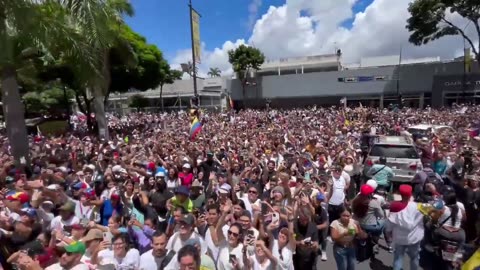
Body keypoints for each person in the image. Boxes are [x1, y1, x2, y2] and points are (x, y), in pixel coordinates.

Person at [386, 185, 424, 270]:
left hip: (399, 239)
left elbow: (390, 223)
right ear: (411, 194)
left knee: (398, 258)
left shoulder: (395, 207)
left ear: (400, 194)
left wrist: (388, 233)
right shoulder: (419, 207)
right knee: (414, 258)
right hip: (414, 238)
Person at [351, 184, 385, 253]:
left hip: (358, 224)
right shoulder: (373, 203)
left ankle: (361, 240)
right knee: (383, 223)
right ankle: (376, 239)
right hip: (370, 226)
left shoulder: (355, 200)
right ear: (370, 193)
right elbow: (381, 215)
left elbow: (352, 210)